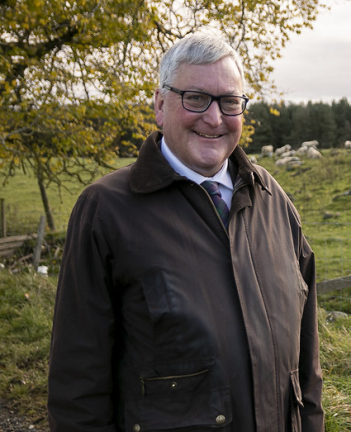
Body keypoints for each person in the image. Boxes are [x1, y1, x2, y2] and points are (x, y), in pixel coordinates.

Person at [47, 32, 324, 432]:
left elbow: (308, 367)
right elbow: (77, 386)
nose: (214, 118)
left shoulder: (273, 201)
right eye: (195, 98)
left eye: (230, 102)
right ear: (160, 106)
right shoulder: (107, 210)